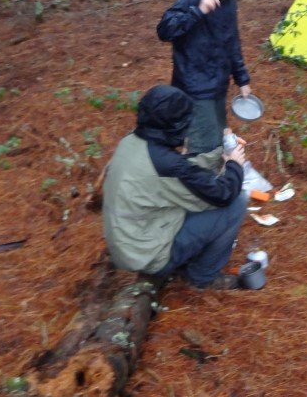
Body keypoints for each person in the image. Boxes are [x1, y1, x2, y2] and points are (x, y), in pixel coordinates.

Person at [102, 85, 249, 290]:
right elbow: (222, 194)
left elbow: (184, 171)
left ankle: (188, 261)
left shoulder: (132, 141)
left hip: (130, 242)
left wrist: (218, 156)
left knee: (193, 203)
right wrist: (234, 166)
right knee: (237, 203)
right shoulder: (165, 164)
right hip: (147, 255)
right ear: (175, 125)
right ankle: (202, 278)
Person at [157, 0, 252, 154]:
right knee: (202, 142)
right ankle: (196, 177)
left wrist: (242, 78)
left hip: (218, 82)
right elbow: (165, 30)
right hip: (194, 84)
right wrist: (198, 11)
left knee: (216, 131)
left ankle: (207, 172)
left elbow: (232, 41)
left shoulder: (228, 2)